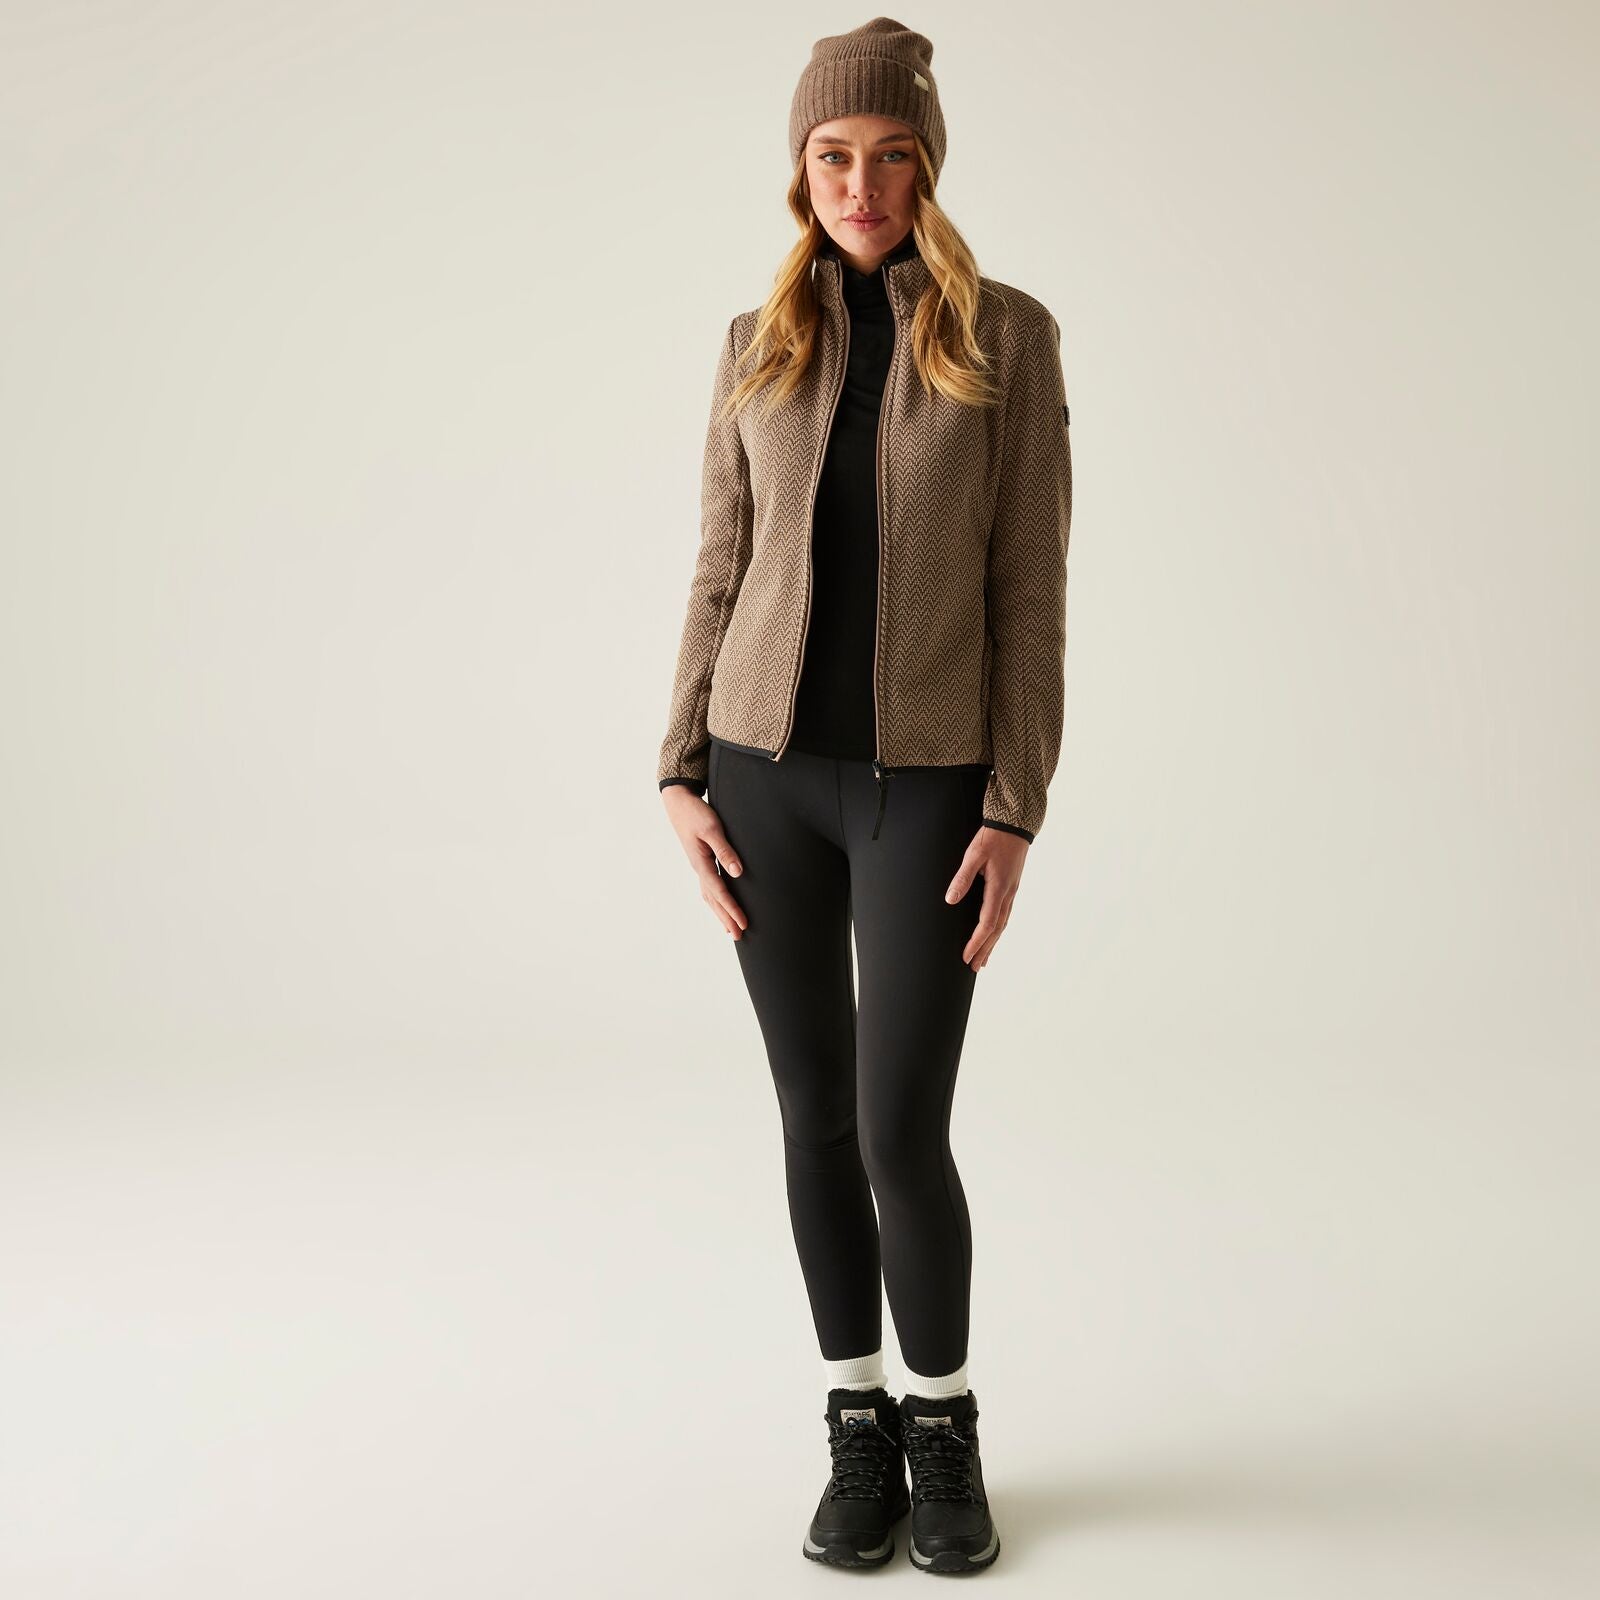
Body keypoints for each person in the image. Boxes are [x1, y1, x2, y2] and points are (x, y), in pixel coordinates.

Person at [655, 16, 1072, 1576]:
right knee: (813, 1118)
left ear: (927, 165)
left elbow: (1029, 595)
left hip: (928, 789)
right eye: (834, 155)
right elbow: (719, 566)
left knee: (901, 1125)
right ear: (800, 169)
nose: (862, 183)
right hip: (761, 780)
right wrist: (679, 765)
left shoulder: (1007, 338)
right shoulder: (756, 342)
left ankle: (943, 1425)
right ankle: (855, 1420)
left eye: (892, 154)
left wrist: (1014, 804)